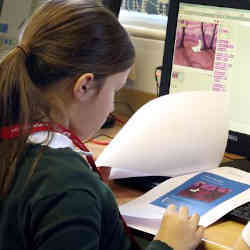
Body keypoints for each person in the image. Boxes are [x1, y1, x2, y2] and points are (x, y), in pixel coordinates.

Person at [0, 0, 204, 249]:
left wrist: (90, 187)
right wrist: (168, 245)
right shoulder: (65, 184)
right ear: (84, 86)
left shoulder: (18, 144)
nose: (111, 108)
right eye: (114, 91)